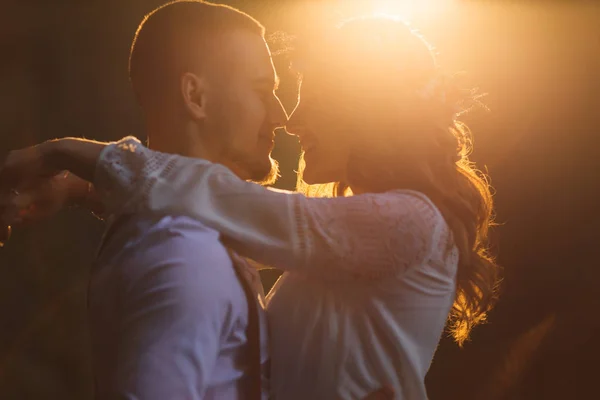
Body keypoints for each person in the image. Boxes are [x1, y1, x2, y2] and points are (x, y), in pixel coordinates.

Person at [0, 11, 499, 400]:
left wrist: (60, 150)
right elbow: (226, 214)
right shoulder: (345, 234)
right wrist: (76, 189)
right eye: (274, 94)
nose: (291, 120)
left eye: (316, 99)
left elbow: (227, 203)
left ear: (368, 109)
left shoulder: (409, 224)